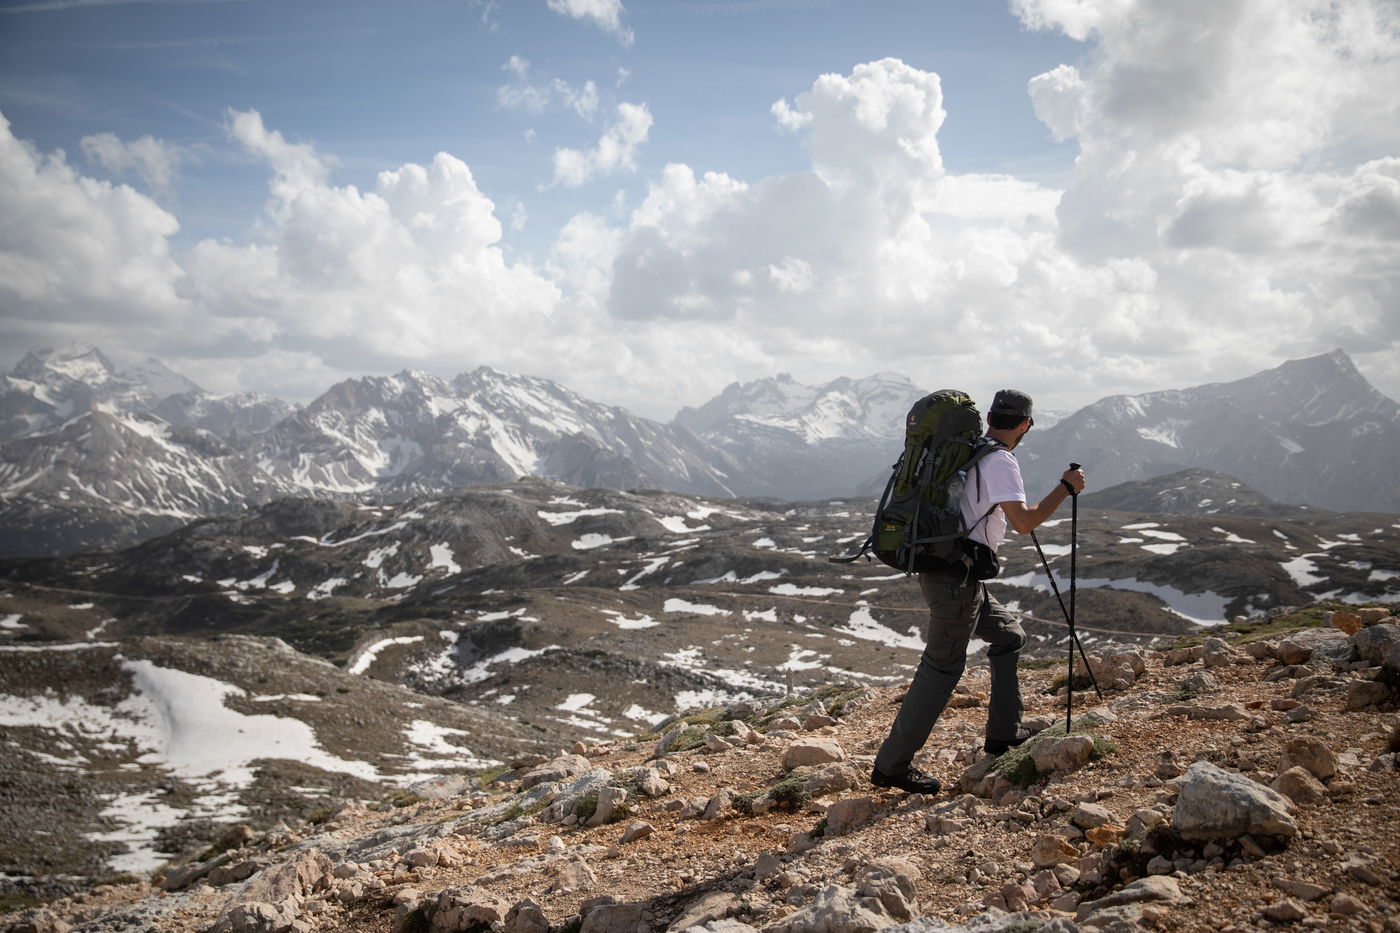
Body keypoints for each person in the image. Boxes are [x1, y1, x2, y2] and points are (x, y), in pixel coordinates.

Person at [869, 388, 1086, 795]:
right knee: (942, 668)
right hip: (954, 579)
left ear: (988, 418)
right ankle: (892, 764)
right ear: (1025, 425)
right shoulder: (1000, 459)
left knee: (1008, 635)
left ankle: (1003, 734)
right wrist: (1066, 488)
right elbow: (1025, 522)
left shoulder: (971, 450)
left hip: (955, 574)